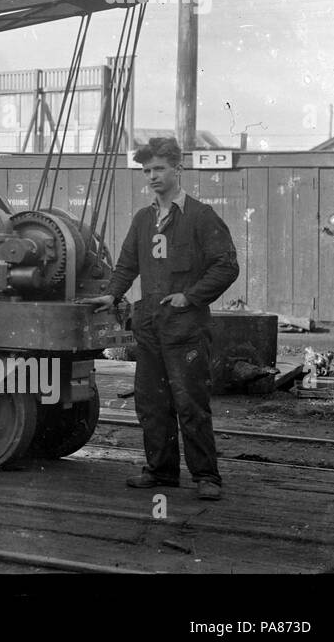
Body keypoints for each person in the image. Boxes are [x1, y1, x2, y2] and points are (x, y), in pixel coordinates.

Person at [80, 136, 239, 500]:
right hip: (150, 325)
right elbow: (127, 265)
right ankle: (161, 471)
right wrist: (113, 294)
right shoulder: (143, 219)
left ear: (178, 169)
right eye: (147, 170)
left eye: (159, 169)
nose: (152, 176)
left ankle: (206, 476)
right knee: (151, 403)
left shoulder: (201, 216)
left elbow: (227, 266)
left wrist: (190, 295)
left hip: (187, 328)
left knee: (190, 402)